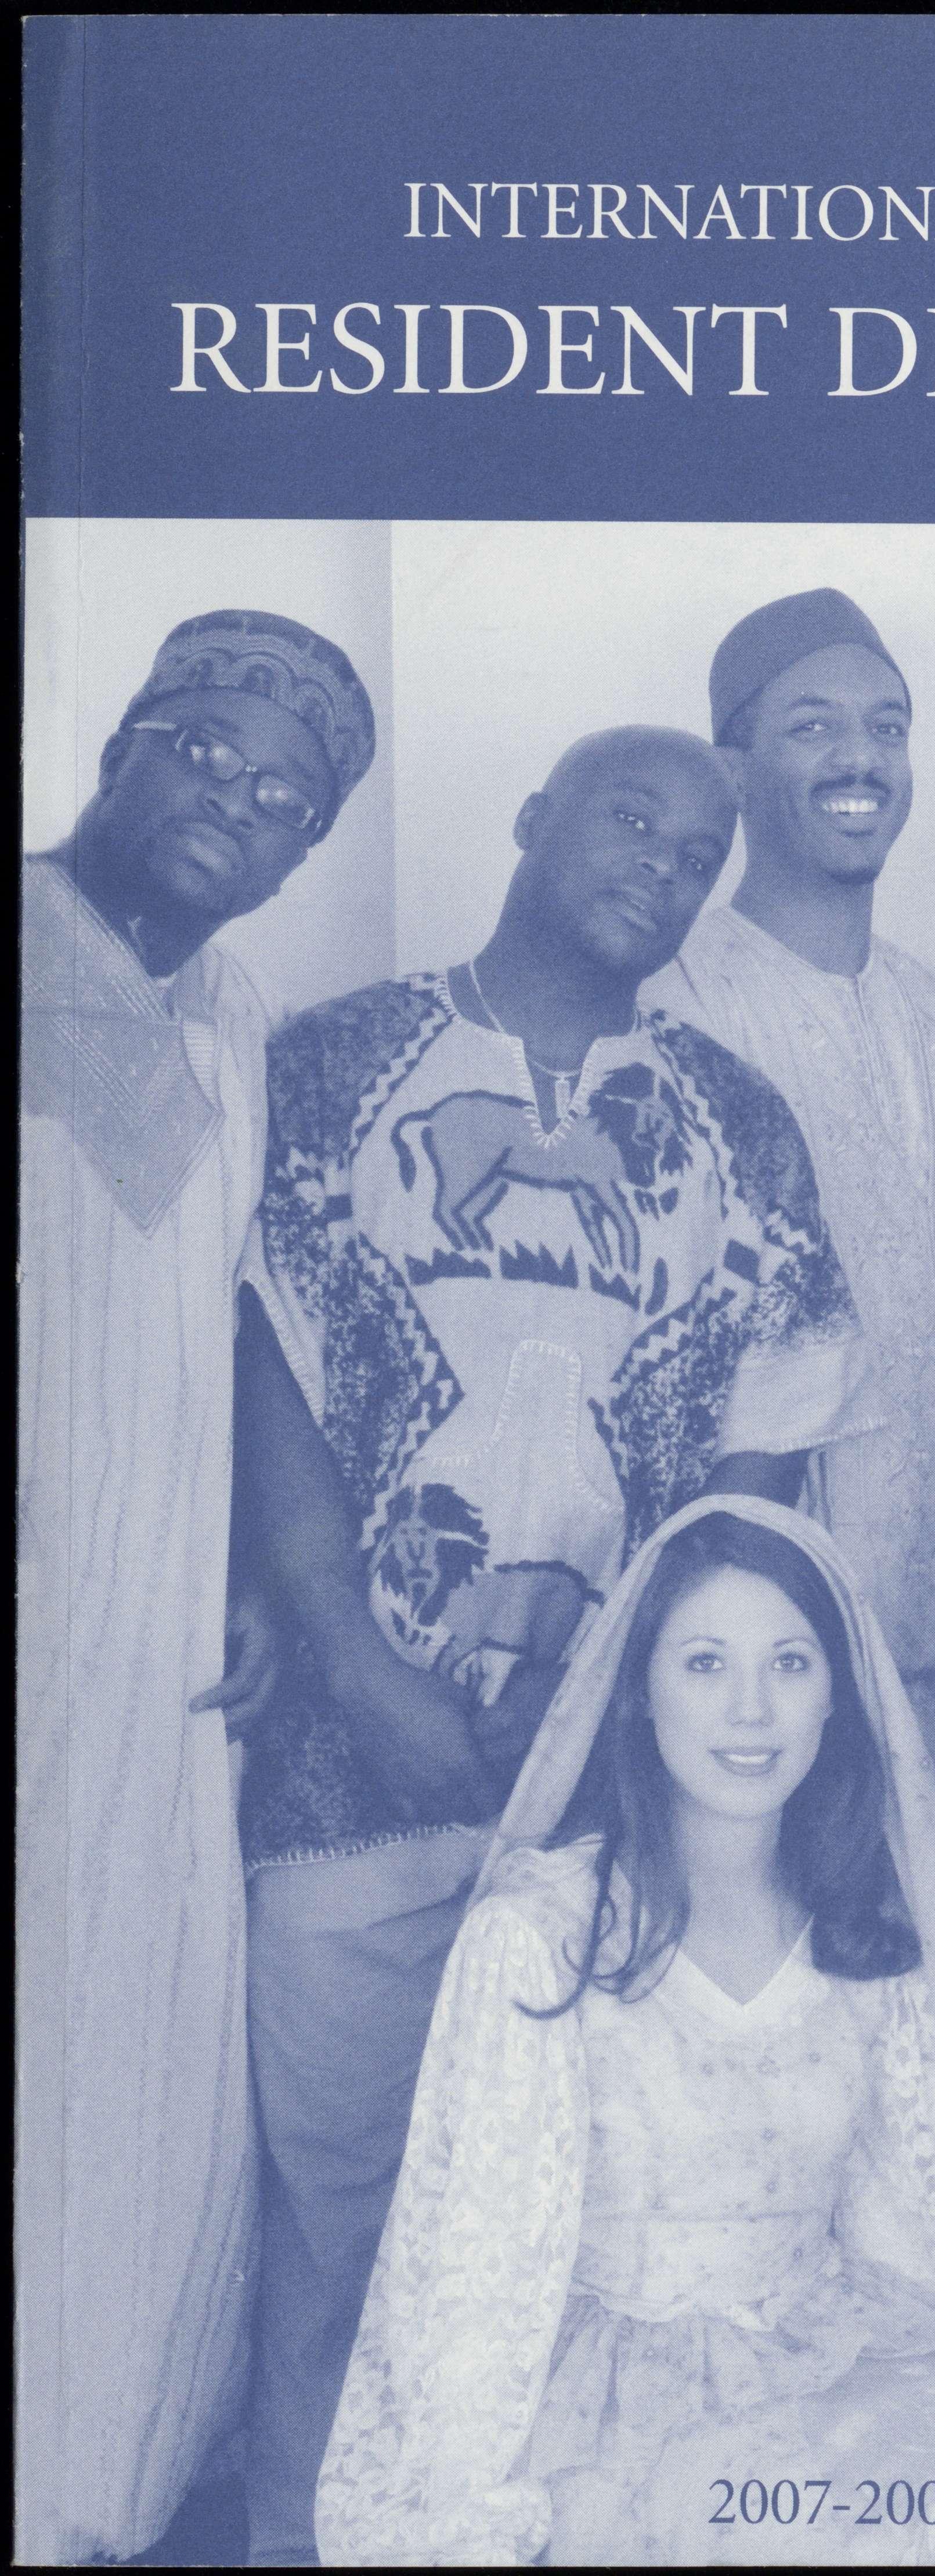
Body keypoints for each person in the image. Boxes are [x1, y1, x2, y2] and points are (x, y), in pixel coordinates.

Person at [237, 727, 874, 2565]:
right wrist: (348, 1655)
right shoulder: (333, 1063)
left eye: (696, 851)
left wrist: (641, 1711)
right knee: (341, 2223)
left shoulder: (735, 1121)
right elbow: (258, 1349)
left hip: (606, 1788)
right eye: (627, 819)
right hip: (346, 1760)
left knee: (562, 2248)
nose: (659, 865)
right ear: (530, 816)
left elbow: (763, 1453)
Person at [315, 1499, 935, 2568]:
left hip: (825, 2363)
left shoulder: (864, 1937)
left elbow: (904, 2237)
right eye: (705, 1664)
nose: (750, 1711)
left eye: (789, 1664)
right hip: (616, 2415)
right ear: (638, 1689)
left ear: (838, 1694)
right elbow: (475, 2271)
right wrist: (465, 2520)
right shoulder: (541, 1938)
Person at [18, 609, 377, 2564]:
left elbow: (224, 1310)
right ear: (125, 741)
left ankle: (97, 2498)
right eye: (208, 750)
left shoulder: (234, 1018)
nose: (235, 802)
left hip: (152, 1634)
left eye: (286, 798)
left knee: (136, 2052)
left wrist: (245, 1558)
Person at [644, 587, 935, 1853]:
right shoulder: (667, 1006)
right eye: (812, 726)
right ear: (731, 769)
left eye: (886, 728)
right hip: (743, 1669)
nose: (860, 758)